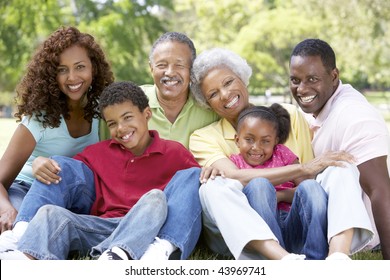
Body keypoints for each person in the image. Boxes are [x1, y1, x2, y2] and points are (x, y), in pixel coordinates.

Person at [0, 81, 204, 260]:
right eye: (112, 123)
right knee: (52, 201)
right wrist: (41, 163)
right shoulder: (100, 153)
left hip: (151, 231)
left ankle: (149, 254)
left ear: (147, 114)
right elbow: (66, 175)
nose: (121, 128)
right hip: (100, 228)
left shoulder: (174, 152)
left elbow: (191, 200)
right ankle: (21, 242)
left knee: (162, 195)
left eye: (127, 118)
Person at [189, 48, 358, 260]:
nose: (224, 95)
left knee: (343, 166)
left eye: (228, 82)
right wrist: (302, 168)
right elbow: (234, 178)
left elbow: (308, 185)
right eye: (213, 94)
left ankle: (337, 257)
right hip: (246, 227)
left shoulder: (289, 115)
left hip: (296, 217)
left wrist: (280, 193)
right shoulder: (203, 137)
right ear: (207, 104)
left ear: (242, 78)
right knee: (216, 187)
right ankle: (276, 259)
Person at [0, 26, 114, 232]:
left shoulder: (103, 111)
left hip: (73, 194)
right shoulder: (40, 118)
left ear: (93, 68)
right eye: (62, 69)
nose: (72, 77)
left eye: (80, 67)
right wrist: (7, 209)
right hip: (27, 189)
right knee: (23, 228)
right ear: (51, 74)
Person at [289, 38, 390, 259]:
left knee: (339, 169)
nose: (302, 89)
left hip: (353, 234)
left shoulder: (355, 116)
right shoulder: (307, 113)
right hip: (312, 220)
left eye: (312, 79)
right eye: (295, 80)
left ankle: (338, 258)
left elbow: (380, 190)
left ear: (334, 77)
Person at [230, 104, 328, 259]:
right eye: (249, 139)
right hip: (263, 231)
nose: (256, 147)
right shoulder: (234, 164)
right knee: (259, 184)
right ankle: (275, 258)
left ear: (275, 141)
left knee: (312, 186)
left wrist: (280, 195)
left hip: (293, 224)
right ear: (237, 139)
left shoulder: (282, 154)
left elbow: (303, 190)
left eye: (265, 141)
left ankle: (317, 258)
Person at [99, 31, 219, 148]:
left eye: (179, 65)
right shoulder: (127, 103)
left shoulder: (209, 105)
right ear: (151, 68)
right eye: (162, 65)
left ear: (192, 70)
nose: (170, 72)